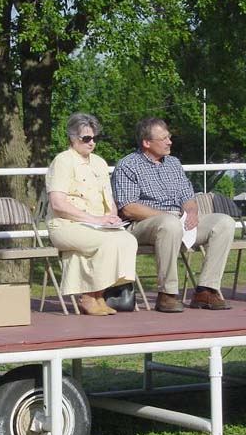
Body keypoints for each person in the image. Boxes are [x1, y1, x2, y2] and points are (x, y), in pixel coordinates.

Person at [112, 117, 235, 313]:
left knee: (224, 222)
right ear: (147, 143)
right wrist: (169, 217)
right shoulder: (128, 165)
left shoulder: (174, 163)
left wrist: (192, 212)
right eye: (164, 138)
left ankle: (206, 290)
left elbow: (187, 196)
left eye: (169, 137)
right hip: (141, 225)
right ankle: (167, 293)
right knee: (169, 223)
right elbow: (129, 208)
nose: (170, 142)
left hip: (177, 220)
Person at [46, 113, 138, 316]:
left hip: (98, 224)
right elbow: (57, 203)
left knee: (127, 240)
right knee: (108, 243)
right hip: (66, 225)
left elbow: (109, 199)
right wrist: (95, 220)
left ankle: (99, 295)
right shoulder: (63, 161)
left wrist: (112, 216)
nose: (92, 142)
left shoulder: (99, 163)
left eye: (95, 138)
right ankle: (90, 296)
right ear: (72, 138)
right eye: (86, 138)